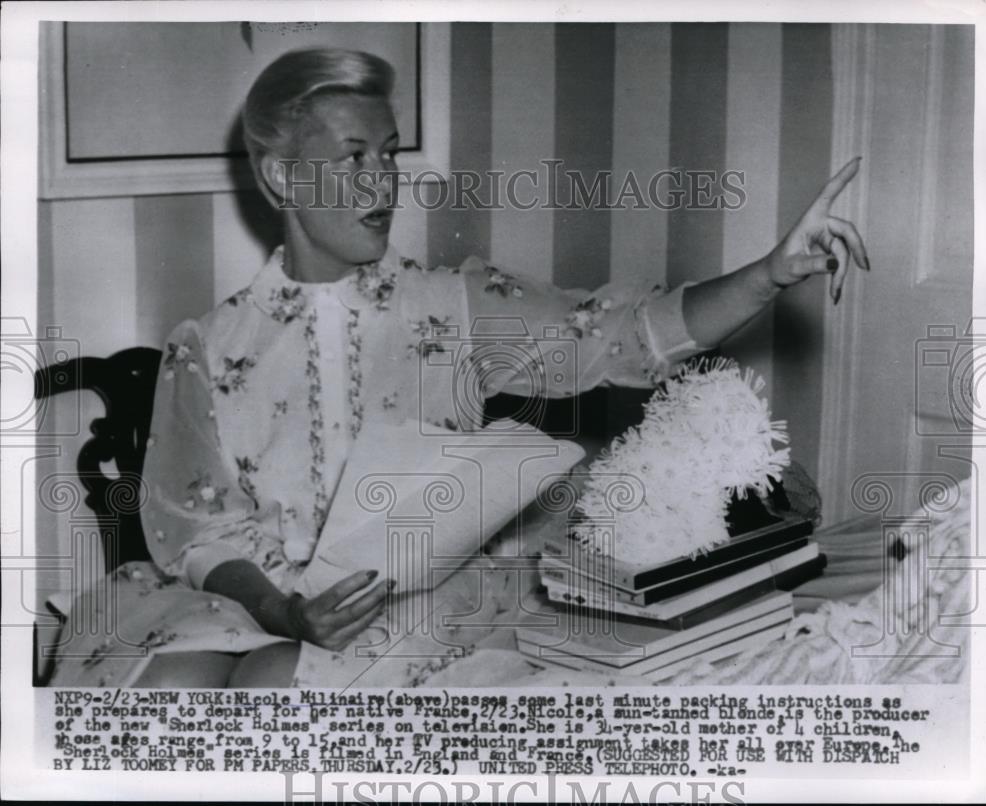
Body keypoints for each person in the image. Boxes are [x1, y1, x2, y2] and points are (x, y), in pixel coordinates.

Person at [49, 47, 869, 689]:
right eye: (354, 157)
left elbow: (621, 333)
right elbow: (200, 527)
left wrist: (769, 271)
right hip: (255, 597)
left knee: (269, 690)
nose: (382, 182)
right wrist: (277, 606)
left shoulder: (454, 303)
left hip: (415, 598)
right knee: (169, 688)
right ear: (280, 175)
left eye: (390, 155)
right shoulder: (210, 342)